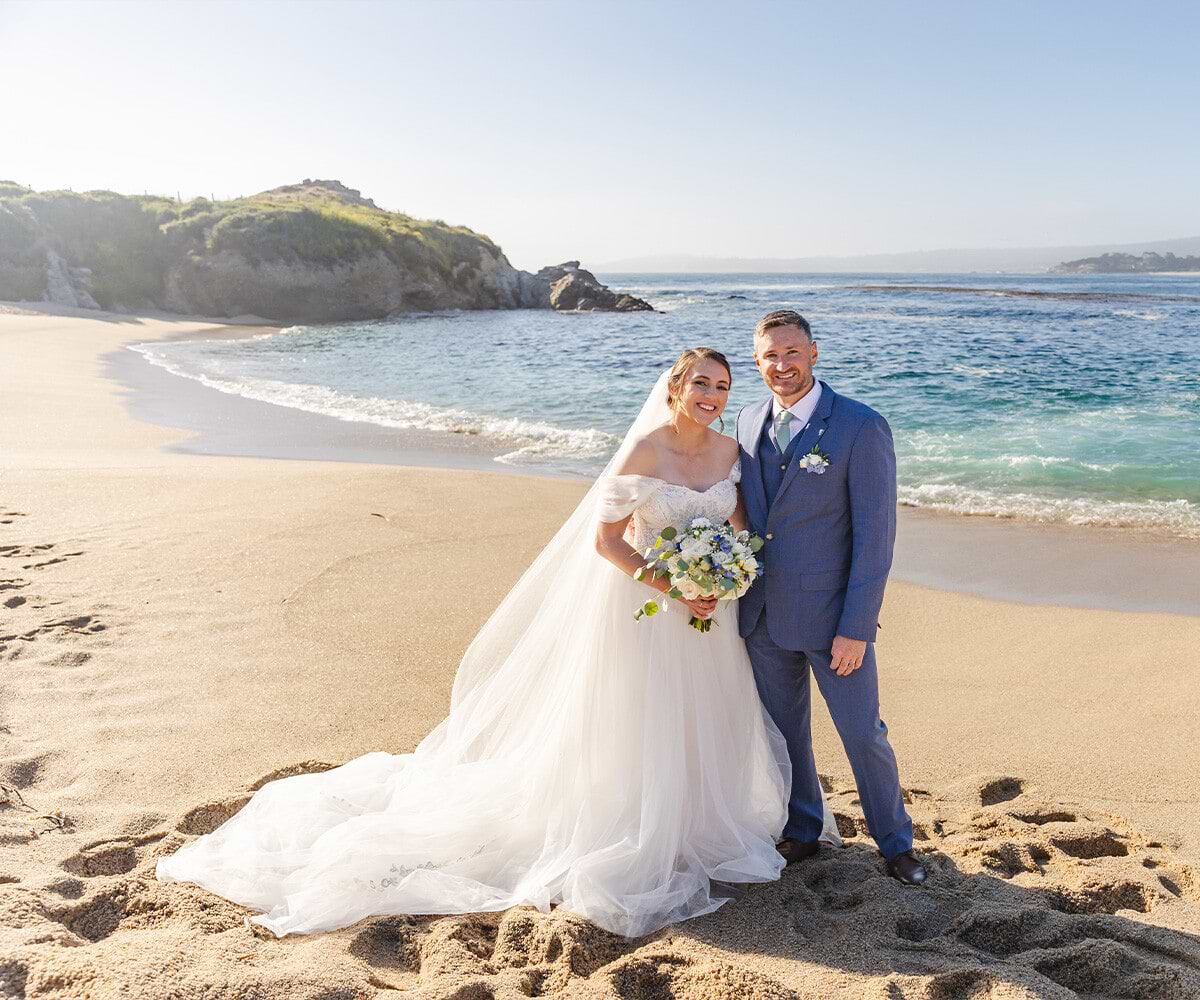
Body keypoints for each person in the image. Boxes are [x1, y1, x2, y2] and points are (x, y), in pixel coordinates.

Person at [155, 347, 840, 940]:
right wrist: (671, 582)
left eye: (722, 387)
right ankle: (634, 827)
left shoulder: (730, 453)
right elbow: (604, 542)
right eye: (702, 385)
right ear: (675, 387)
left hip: (705, 613)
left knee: (704, 716)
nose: (713, 398)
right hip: (649, 609)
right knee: (640, 716)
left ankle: (697, 822)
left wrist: (719, 579)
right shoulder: (644, 451)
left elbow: (740, 530)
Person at [735, 310, 926, 886]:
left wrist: (857, 627)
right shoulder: (744, 421)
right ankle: (803, 827)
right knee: (785, 733)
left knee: (863, 732)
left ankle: (895, 842)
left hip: (833, 620)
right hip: (762, 614)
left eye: (792, 352)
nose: (782, 364)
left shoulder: (861, 426)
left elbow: (875, 538)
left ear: (814, 353)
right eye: (771, 354)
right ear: (757, 360)